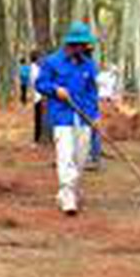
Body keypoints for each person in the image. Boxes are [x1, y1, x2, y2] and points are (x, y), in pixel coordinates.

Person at [36, 22, 99, 216]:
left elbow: (92, 92)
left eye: (85, 45)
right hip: (62, 117)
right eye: (80, 45)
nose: (83, 48)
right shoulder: (52, 62)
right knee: (65, 156)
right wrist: (56, 90)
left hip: (84, 118)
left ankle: (67, 191)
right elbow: (40, 84)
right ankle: (68, 197)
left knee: (79, 159)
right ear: (71, 44)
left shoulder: (88, 65)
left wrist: (95, 116)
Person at [30, 51, 45, 144]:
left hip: (39, 97)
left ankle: (37, 138)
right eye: (40, 58)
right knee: (38, 119)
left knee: (39, 118)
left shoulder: (36, 68)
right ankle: (36, 139)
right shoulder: (34, 69)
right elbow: (36, 82)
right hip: (39, 97)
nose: (41, 60)